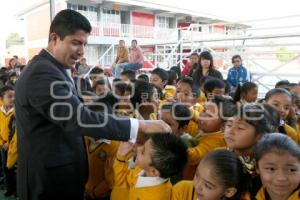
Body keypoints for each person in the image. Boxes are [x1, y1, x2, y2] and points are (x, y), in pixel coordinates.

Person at [15, 9, 170, 200]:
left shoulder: (56, 68)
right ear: (54, 38)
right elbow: (77, 118)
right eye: (76, 43)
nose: (81, 51)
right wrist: (140, 126)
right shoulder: (42, 73)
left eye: (84, 44)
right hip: (49, 182)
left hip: (60, 177)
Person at [112, 133, 188, 200]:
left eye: (143, 152)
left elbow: (122, 182)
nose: (138, 148)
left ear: (154, 171)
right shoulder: (145, 169)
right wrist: (121, 157)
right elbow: (124, 180)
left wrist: (120, 158)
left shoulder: (155, 197)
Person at [172, 149, 251, 200]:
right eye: (197, 175)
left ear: (228, 192)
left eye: (207, 185)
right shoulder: (183, 190)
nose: (197, 186)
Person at [254, 133, 300, 200]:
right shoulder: (247, 196)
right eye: (271, 169)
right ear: (257, 167)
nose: (281, 178)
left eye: (291, 170)